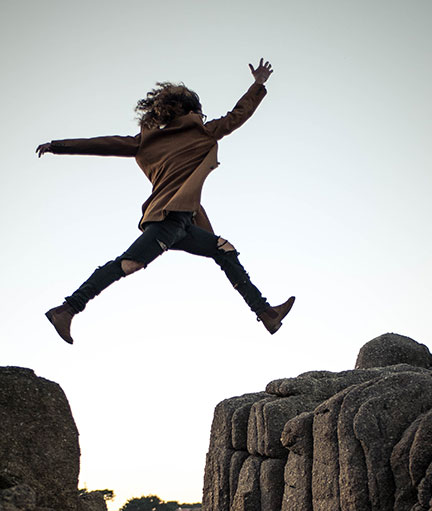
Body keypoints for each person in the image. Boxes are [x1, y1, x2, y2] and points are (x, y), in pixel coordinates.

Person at [37, 58, 294, 344]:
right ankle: (68, 309)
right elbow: (237, 115)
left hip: (183, 222)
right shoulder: (201, 132)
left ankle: (266, 313)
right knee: (129, 263)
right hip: (167, 220)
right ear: (190, 110)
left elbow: (102, 143)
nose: (202, 114)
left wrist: (58, 146)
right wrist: (257, 85)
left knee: (224, 250)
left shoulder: (147, 141)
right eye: (199, 110)